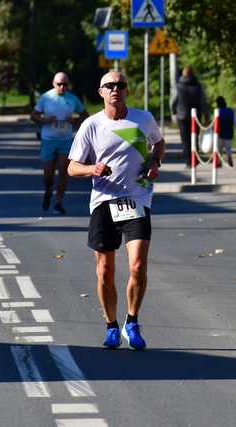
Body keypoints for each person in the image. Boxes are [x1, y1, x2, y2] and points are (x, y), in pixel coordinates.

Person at [68, 71, 165, 350]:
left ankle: (131, 322)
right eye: (109, 86)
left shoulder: (143, 119)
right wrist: (91, 168)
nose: (115, 90)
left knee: (137, 265)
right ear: (101, 92)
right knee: (104, 271)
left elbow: (158, 143)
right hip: (104, 202)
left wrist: (155, 162)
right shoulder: (91, 126)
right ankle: (111, 326)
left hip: (137, 198)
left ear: (126, 90)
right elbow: (72, 166)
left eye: (121, 85)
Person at [31, 72, 87, 214]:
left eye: (64, 84)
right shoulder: (46, 97)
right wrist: (46, 120)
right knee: (48, 174)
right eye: (59, 84)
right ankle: (48, 191)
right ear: (53, 83)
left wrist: (74, 120)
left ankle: (59, 201)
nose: (62, 87)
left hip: (65, 140)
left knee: (63, 171)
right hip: (48, 140)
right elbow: (34, 115)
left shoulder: (72, 99)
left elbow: (84, 115)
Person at [171, 66, 209, 167]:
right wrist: (206, 116)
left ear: (183, 74)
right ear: (193, 74)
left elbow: (174, 101)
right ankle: (194, 159)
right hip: (196, 116)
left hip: (182, 116)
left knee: (185, 140)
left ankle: (188, 161)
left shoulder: (178, 86)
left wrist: (173, 111)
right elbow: (203, 102)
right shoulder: (199, 86)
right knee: (195, 137)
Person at [215, 96, 236, 167]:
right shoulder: (230, 111)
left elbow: (214, 124)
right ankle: (229, 157)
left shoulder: (217, 112)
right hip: (229, 132)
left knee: (219, 148)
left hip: (219, 133)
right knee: (228, 148)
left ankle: (219, 162)